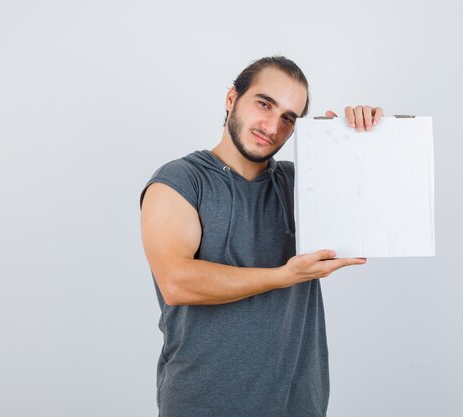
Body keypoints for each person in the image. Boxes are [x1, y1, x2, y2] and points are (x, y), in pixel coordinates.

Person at [140, 56, 383, 417]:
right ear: (231, 98)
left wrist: (354, 142)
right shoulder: (180, 181)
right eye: (264, 104)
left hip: (298, 404)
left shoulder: (301, 184)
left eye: (288, 118)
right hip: (202, 403)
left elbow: (381, 206)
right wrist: (285, 276)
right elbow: (178, 283)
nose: (272, 125)